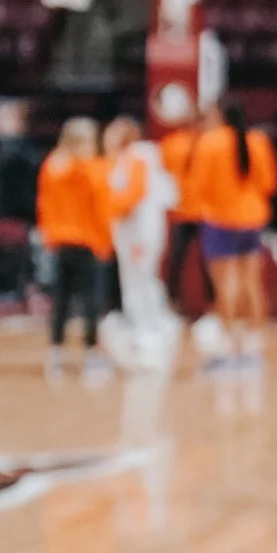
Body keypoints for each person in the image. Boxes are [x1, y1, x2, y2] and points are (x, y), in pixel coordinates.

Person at [185, 97, 277, 366]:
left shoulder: (210, 143)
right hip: (253, 217)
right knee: (252, 282)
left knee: (225, 284)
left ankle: (229, 344)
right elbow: (269, 183)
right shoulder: (258, 141)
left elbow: (198, 186)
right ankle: (254, 342)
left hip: (220, 219)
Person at [36, 114, 113, 379]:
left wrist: (49, 236)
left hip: (60, 241)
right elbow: (102, 208)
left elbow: (44, 204)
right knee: (91, 299)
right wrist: (105, 241)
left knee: (61, 299)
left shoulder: (51, 165)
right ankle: (91, 354)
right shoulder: (93, 168)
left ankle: (56, 354)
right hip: (88, 241)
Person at [101, 111, 178, 370]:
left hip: (139, 233)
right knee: (135, 279)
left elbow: (133, 195)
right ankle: (143, 324)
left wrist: (106, 208)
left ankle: (152, 327)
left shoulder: (139, 158)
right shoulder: (124, 159)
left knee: (142, 278)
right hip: (129, 232)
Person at [0, 96, 42, 305]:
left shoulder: (17, 152)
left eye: (2, 119)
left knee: (13, 255)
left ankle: (18, 291)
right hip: (13, 214)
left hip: (15, 216)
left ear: (16, 122)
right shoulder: (14, 149)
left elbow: (20, 189)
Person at [154, 79, 205, 318]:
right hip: (186, 211)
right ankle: (174, 304)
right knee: (178, 262)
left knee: (199, 263)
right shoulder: (170, 145)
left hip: (199, 211)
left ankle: (206, 306)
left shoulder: (204, 143)